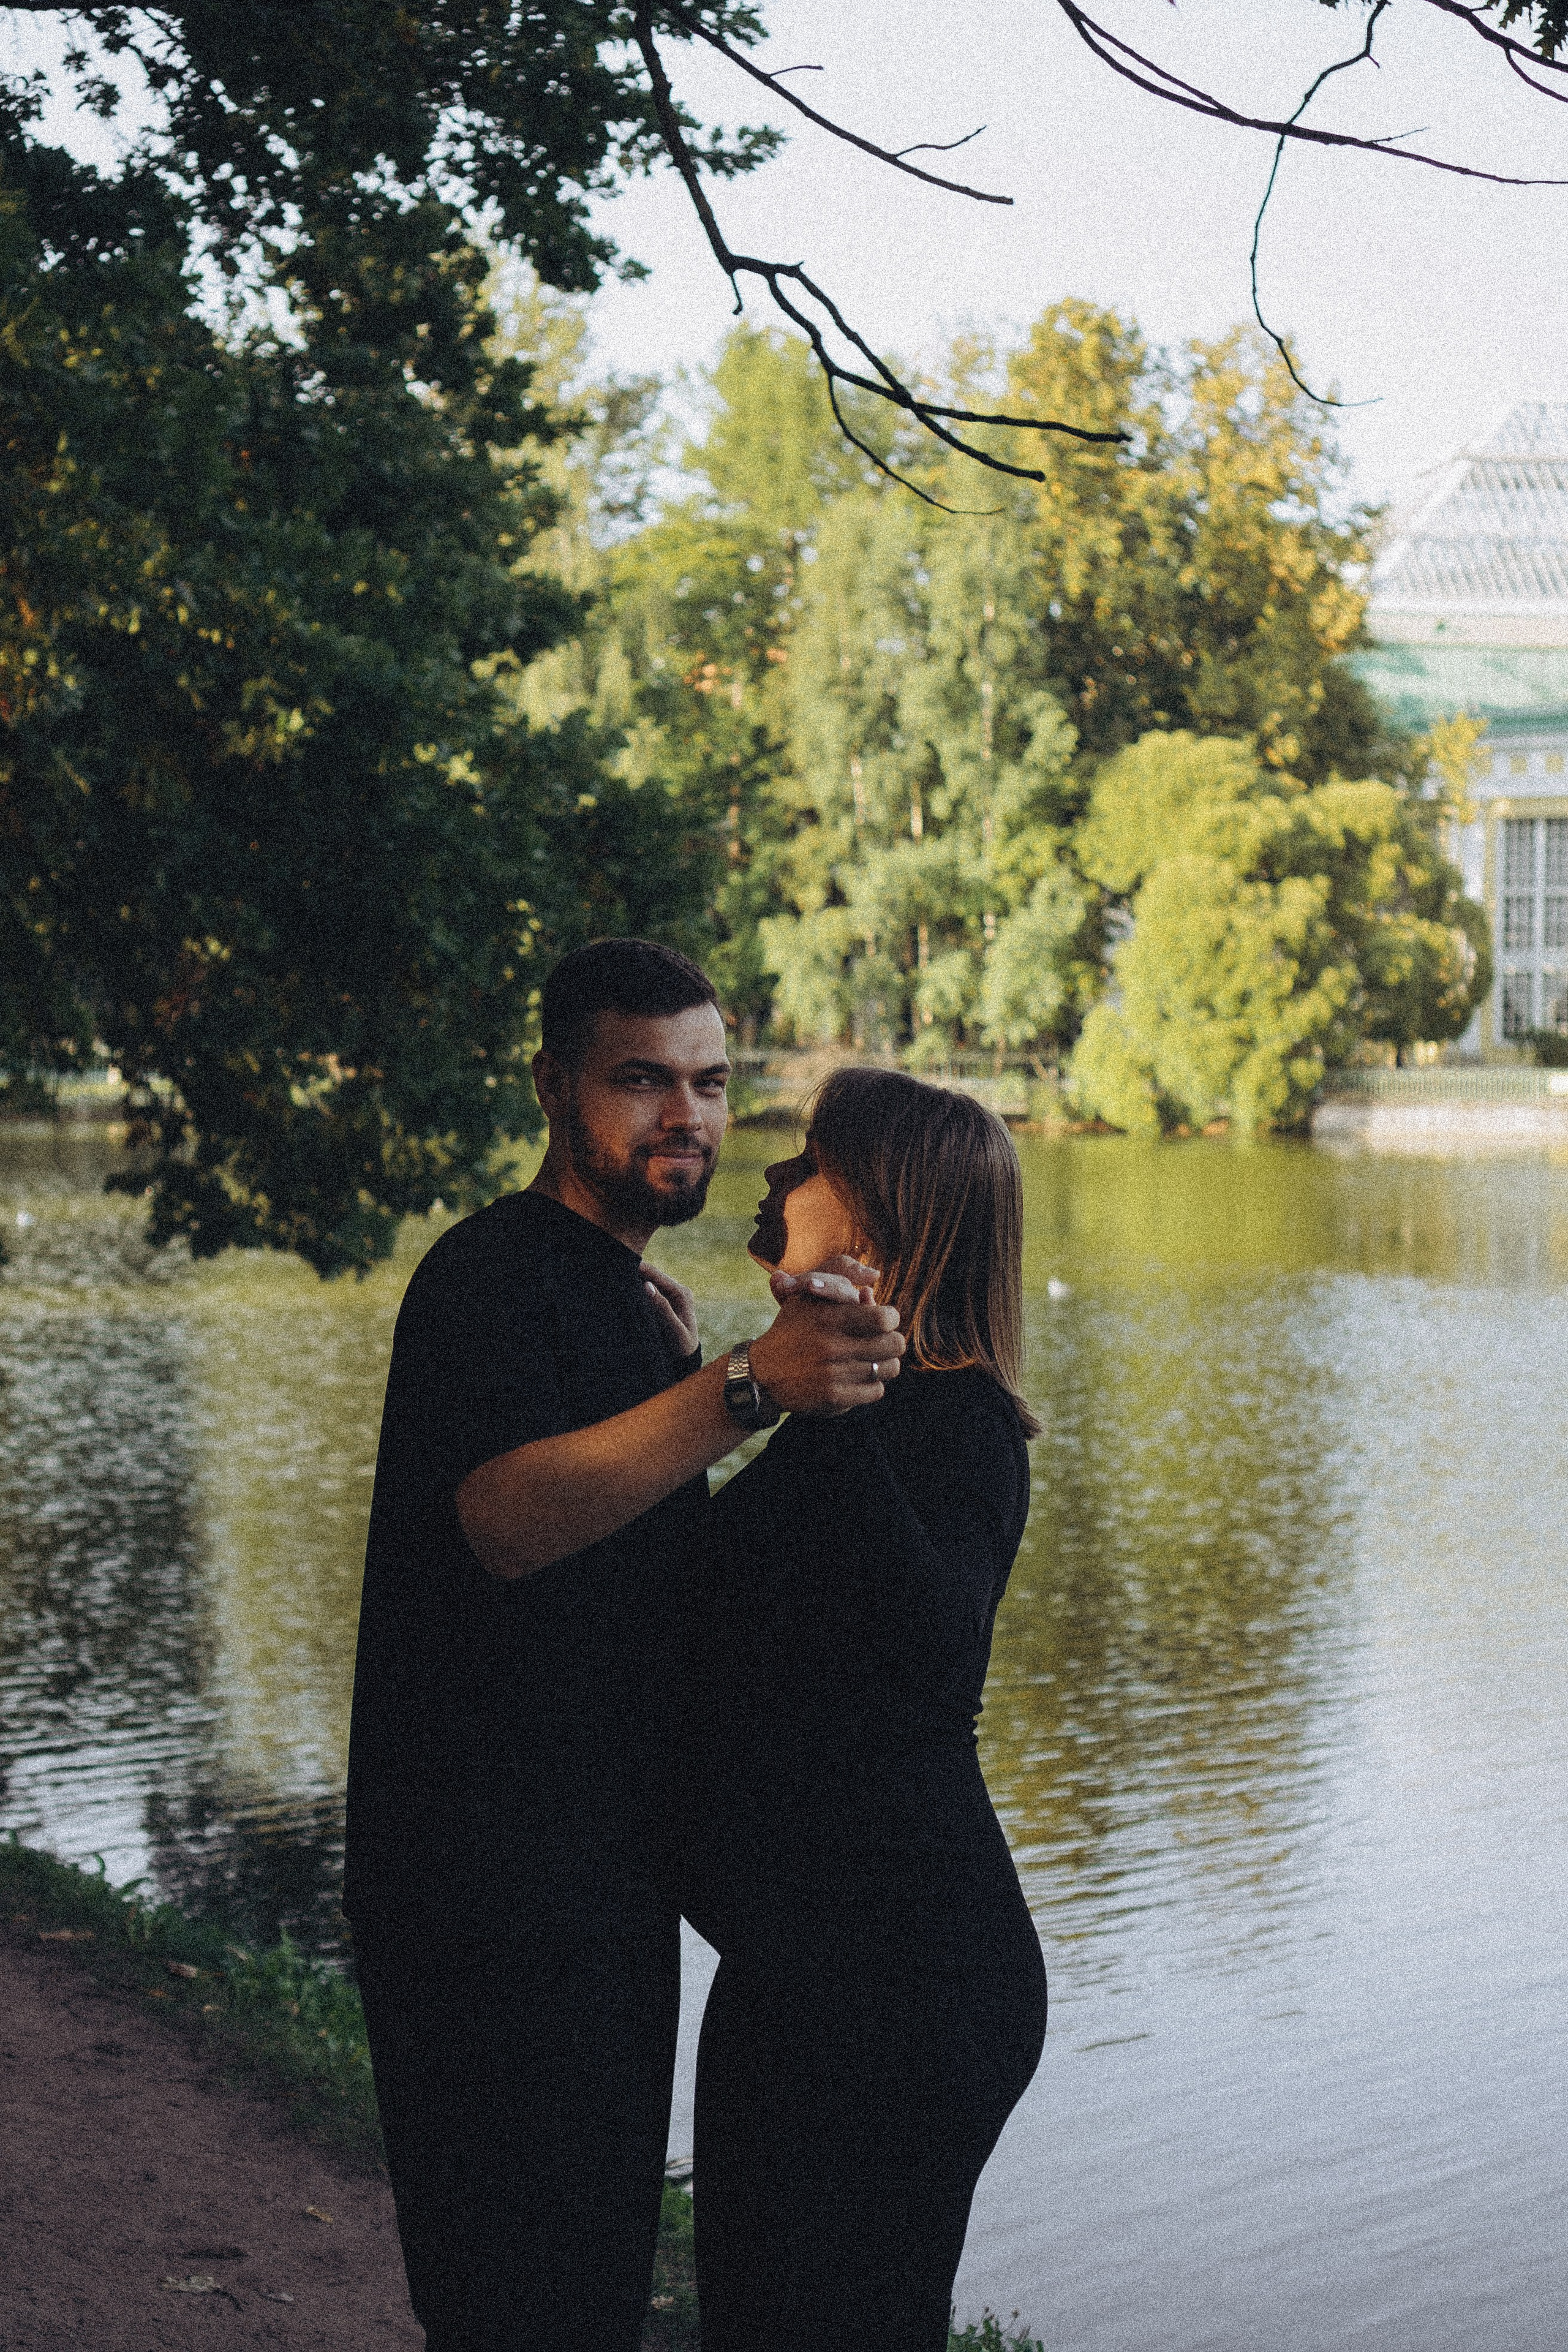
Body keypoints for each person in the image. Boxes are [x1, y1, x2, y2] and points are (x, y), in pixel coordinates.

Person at [342, 940, 903, 2352]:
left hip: (585, 1888)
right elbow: (501, 1525)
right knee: (518, 2299)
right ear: (552, 1087)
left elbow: (639, 1583)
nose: (686, 1116)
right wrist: (738, 1391)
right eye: (641, 1080)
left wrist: (691, 1385)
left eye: (710, 1082)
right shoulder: (491, 1276)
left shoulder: (611, 1297)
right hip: (481, 1897)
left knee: (577, 2288)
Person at [682, 1066, 1048, 2352]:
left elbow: (930, 1649)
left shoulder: (953, 1424)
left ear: (880, 1219)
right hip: (807, 1964)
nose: (774, 1177)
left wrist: (816, 1407)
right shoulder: (845, 1413)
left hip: (908, 1983)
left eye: (807, 1160)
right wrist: (696, 1395)